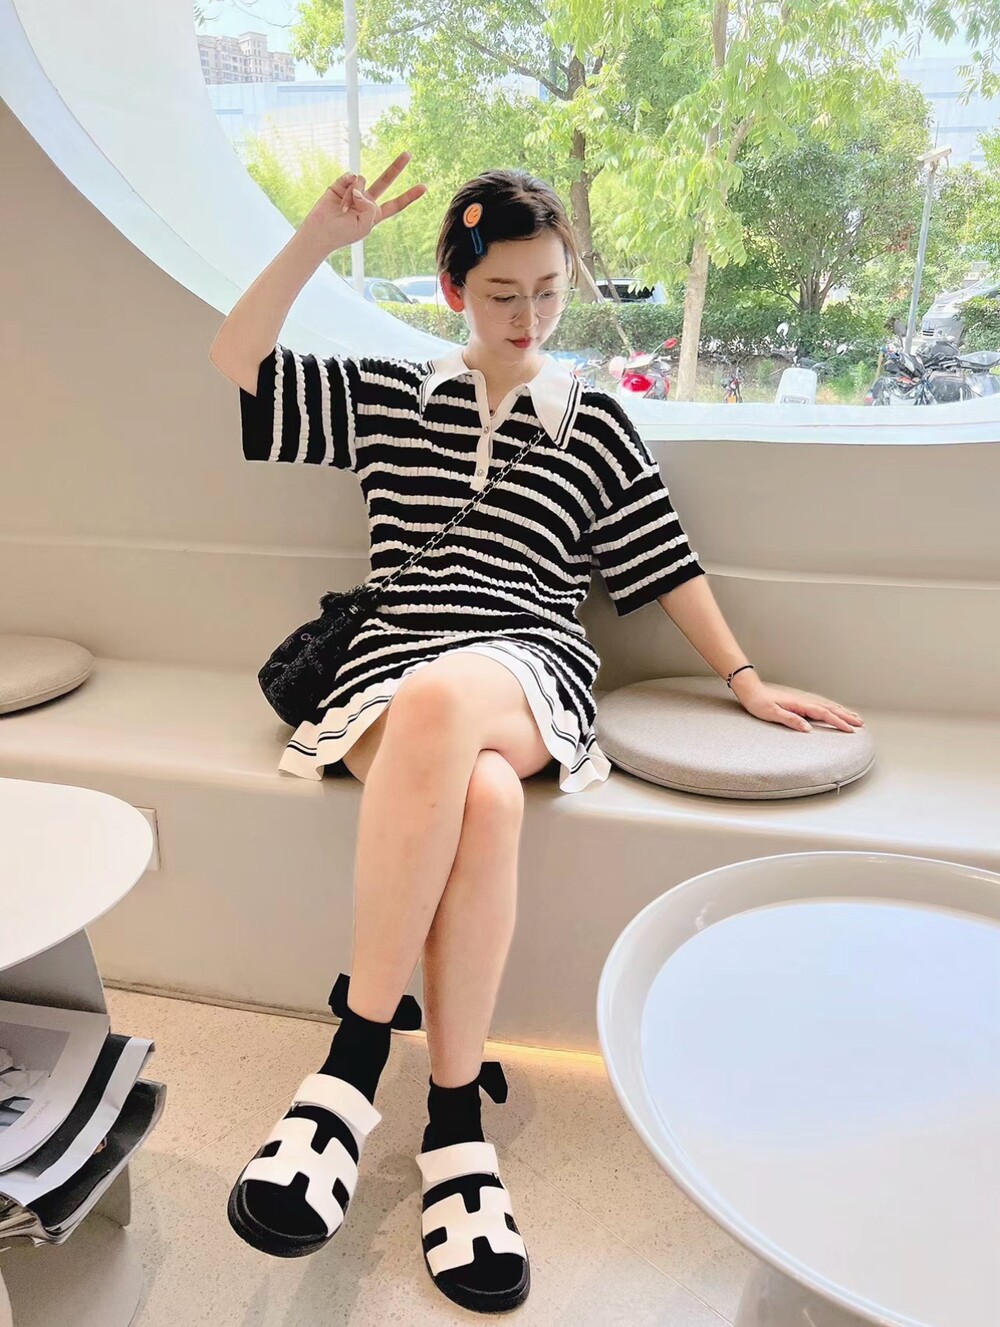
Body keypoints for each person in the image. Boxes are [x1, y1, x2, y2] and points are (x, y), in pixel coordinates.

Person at [208, 155, 864, 1313]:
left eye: (550, 290)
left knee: (449, 704)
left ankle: (352, 1063)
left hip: (525, 666)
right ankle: (454, 1121)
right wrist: (316, 240)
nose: (529, 316)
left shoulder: (593, 417)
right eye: (503, 292)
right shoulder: (392, 394)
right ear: (454, 289)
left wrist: (746, 679)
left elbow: (663, 561)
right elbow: (238, 360)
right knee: (483, 794)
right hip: (389, 669)